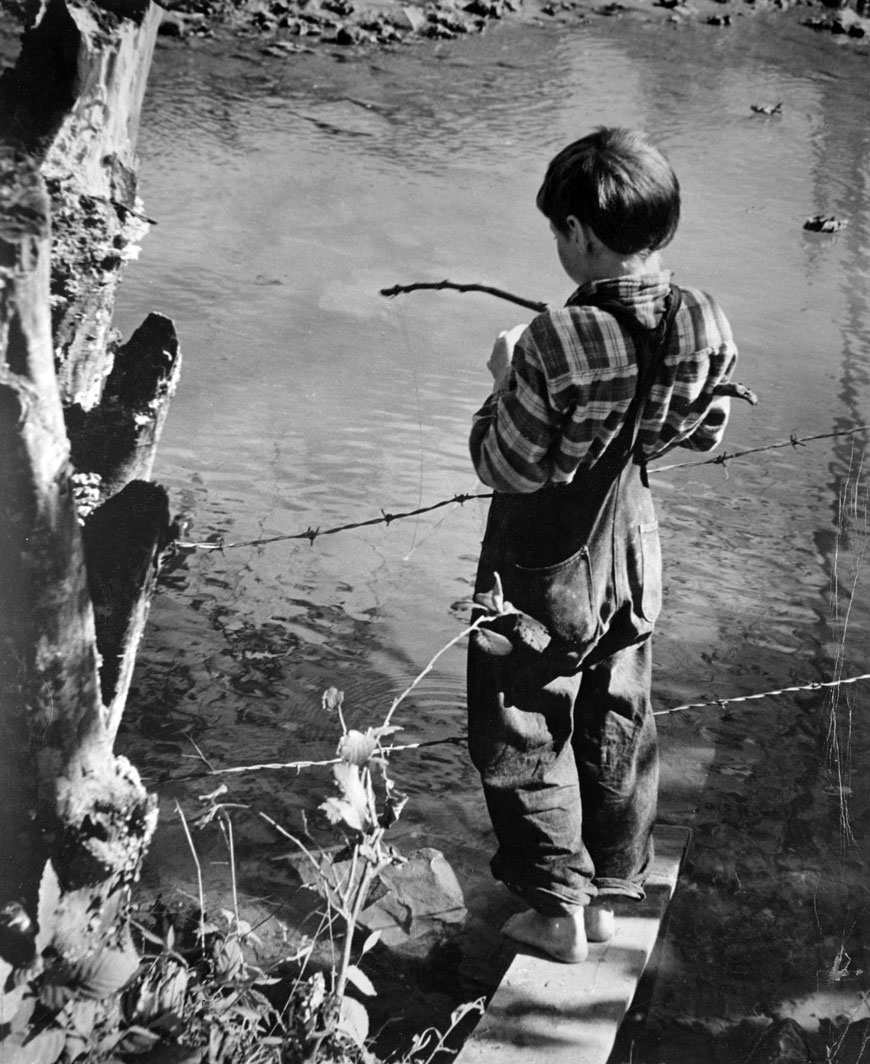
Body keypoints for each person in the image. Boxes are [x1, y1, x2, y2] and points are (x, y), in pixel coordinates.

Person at [466, 127, 738, 963]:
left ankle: (555, 911)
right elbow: (705, 431)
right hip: (635, 555)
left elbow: (502, 464)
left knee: (522, 725)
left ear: (580, 232)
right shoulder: (703, 315)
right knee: (621, 716)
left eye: (559, 231)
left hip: (544, 568)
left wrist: (506, 375)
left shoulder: (553, 338)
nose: (558, 245)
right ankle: (612, 896)